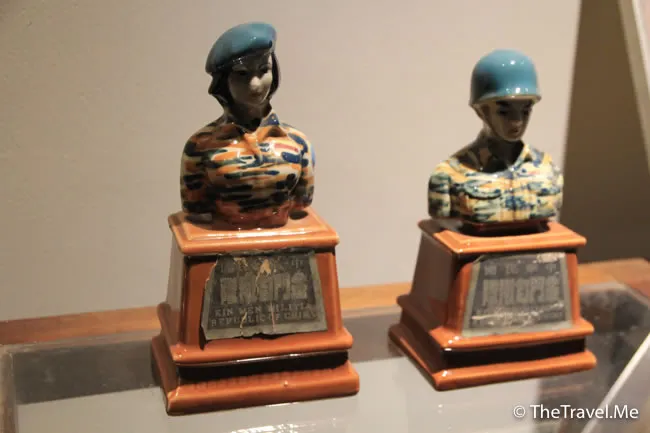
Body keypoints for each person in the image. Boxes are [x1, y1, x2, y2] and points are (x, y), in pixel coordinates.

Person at [180, 22, 315, 229]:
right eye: (242, 73)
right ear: (224, 81)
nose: (255, 84)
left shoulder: (299, 143)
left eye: (264, 70)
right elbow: (195, 208)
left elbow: (302, 203)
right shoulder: (200, 147)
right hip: (226, 239)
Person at [428, 49, 563, 226]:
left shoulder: (548, 170)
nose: (517, 122)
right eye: (504, 112)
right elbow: (444, 228)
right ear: (481, 111)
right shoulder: (448, 176)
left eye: (525, 111)